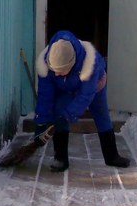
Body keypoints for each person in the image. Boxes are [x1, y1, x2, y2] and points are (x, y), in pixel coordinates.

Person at [34, 30, 130, 172]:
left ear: (72, 64)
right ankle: (60, 158)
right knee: (59, 111)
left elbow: (86, 96)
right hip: (67, 88)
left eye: (60, 71)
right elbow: (45, 95)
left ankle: (112, 156)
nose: (55, 74)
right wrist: (41, 122)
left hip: (94, 87)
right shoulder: (47, 65)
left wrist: (70, 113)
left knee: (101, 115)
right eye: (53, 70)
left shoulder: (91, 63)